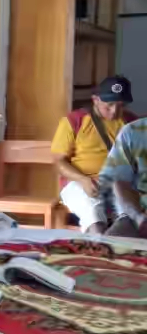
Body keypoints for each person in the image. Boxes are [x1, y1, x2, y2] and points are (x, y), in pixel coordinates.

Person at [52, 76, 135, 234]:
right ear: (96, 99)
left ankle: (119, 242)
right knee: (93, 215)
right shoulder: (74, 121)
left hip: (119, 183)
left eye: (121, 106)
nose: (114, 112)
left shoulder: (131, 122)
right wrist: (83, 180)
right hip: (79, 182)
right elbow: (58, 162)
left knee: (129, 215)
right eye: (109, 105)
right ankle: (97, 245)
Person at [98, 113, 147, 237]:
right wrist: (139, 219)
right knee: (109, 245)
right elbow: (120, 183)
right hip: (138, 215)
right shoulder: (132, 132)